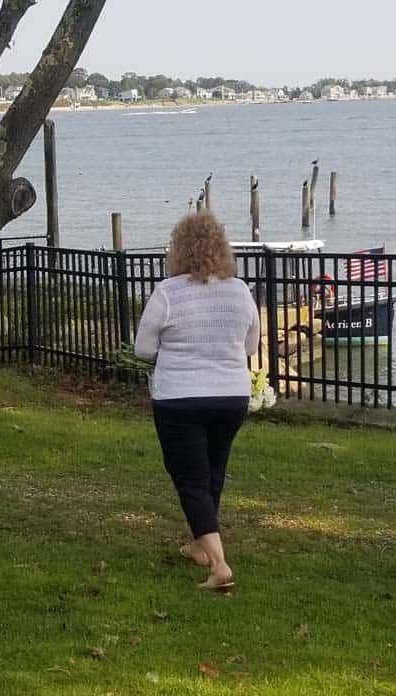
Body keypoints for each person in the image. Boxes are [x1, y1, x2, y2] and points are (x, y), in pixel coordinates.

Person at [134, 212, 260, 593]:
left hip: (180, 396)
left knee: (190, 477)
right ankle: (199, 545)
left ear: (178, 250)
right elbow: (251, 345)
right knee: (213, 470)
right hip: (231, 394)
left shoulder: (168, 292)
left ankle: (219, 564)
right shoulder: (240, 291)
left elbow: (143, 349)